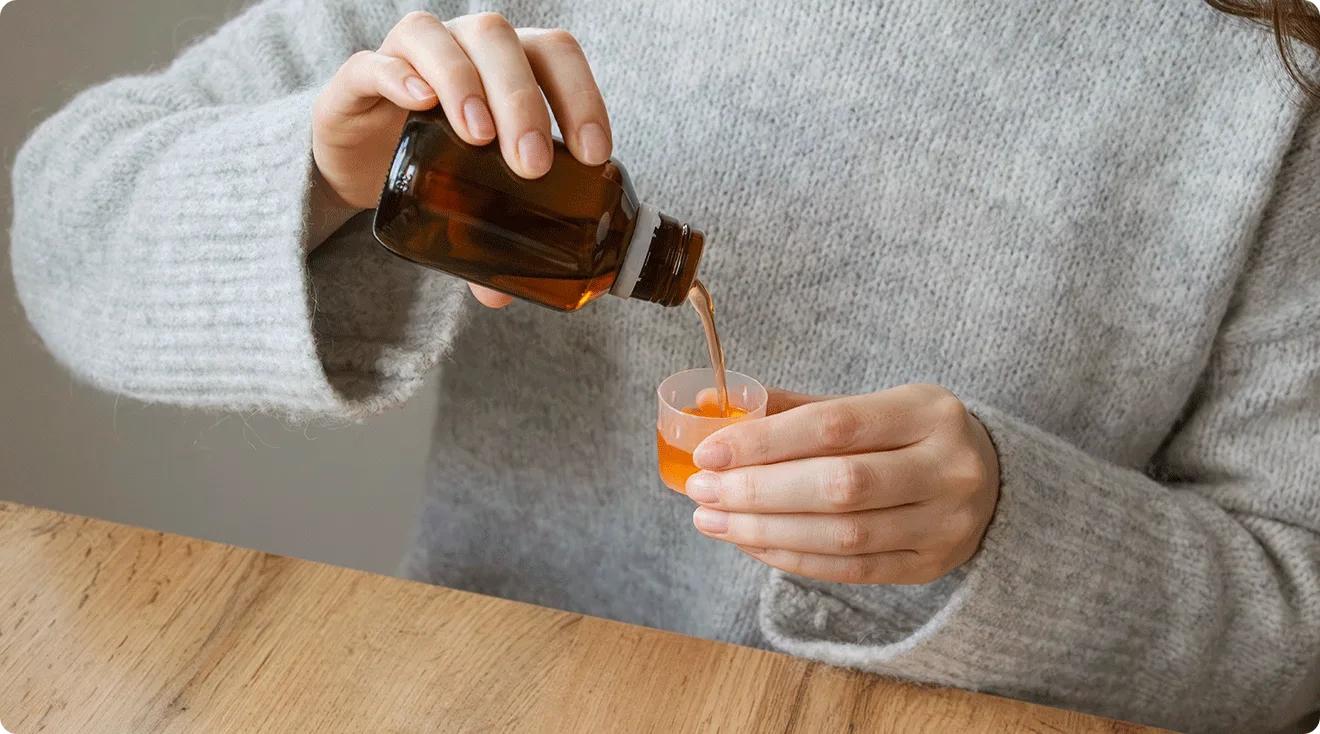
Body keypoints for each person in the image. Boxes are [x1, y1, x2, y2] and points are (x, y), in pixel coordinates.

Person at [9, 1, 1320, 731]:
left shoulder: (1265, 83)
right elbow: (66, 229)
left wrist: (1015, 530)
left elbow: (1294, 614)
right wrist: (330, 163)